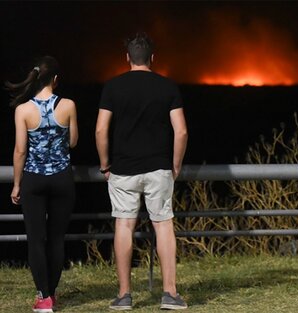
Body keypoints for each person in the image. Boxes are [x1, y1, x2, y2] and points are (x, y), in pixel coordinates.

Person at [95, 32, 188, 311]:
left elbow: (101, 129)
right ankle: (170, 294)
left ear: (127, 58)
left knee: (124, 224)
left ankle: (124, 295)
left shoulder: (113, 87)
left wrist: (104, 164)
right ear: (152, 58)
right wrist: (176, 164)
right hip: (159, 168)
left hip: (123, 170)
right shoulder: (168, 87)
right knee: (163, 225)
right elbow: (181, 131)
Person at [6, 56, 78, 313]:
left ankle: (43, 297)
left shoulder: (22, 110)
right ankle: (52, 293)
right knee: (57, 238)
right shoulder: (68, 105)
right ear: (56, 80)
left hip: (34, 180)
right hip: (62, 179)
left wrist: (16, 185)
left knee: (36, 239)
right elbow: (72, 142)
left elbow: (19, 150)